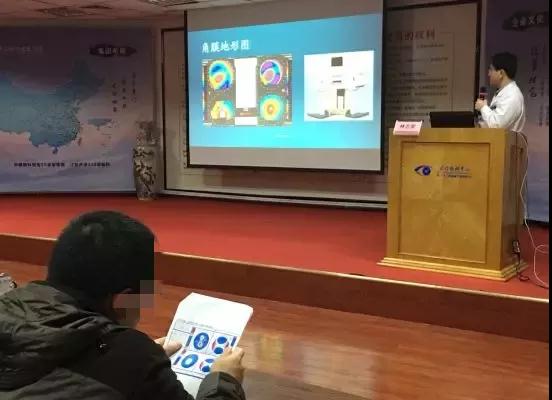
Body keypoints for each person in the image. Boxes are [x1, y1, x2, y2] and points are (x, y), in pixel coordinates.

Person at [0, 211, 246, 400]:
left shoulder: (7, 303)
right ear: (121, 299)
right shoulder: (133, 358)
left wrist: (137, 358)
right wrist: (223, 380)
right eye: (144, 295)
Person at [475, 52, 526, 133]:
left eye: (491, 70)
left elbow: (497, 125)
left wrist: (483, 107)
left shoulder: (512, 95)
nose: (488, 74)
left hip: (505, 141)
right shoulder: (503, 93)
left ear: (501, 73)